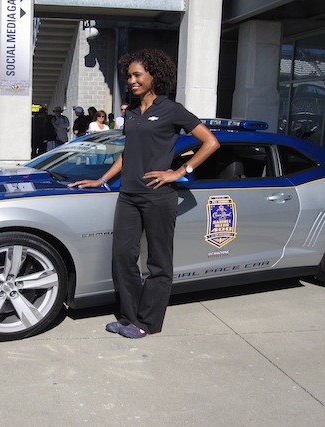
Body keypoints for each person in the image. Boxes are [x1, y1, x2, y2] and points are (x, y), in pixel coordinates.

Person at [69, 49, 220, 339]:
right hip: (128, 194)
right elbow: (128, 153)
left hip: (158, 195)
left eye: (137, 75)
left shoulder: (172, 109)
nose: (132, 80)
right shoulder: (132, 112)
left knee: (158, 262)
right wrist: (102, 179)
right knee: (122, 256)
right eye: (129, 76)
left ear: (154, 75)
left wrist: (179, 171)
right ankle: (128, 317)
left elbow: (210, 142)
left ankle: (147, 323)